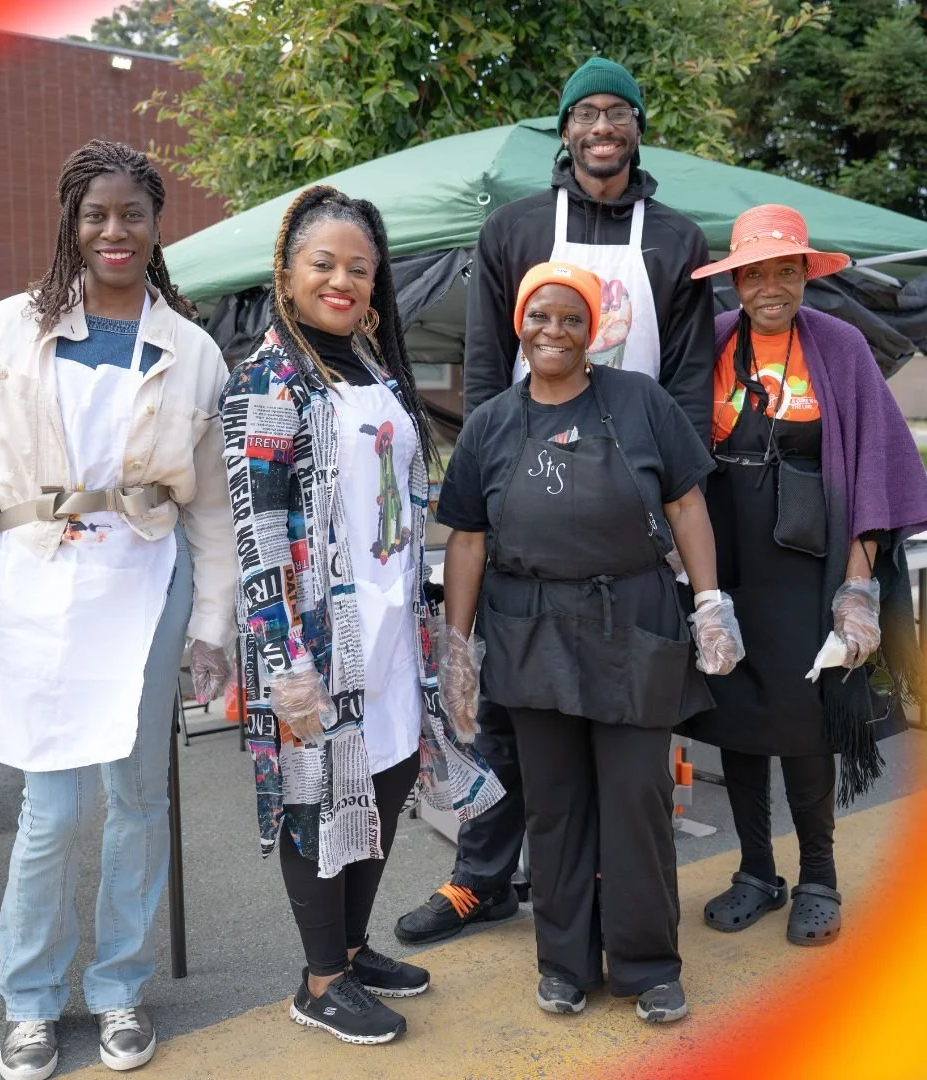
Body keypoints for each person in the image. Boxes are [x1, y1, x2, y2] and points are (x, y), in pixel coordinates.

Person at [0, 140, 238, 1079]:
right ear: (69, 222)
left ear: (155, 222)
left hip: (143, 585)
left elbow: (210, 508)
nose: (113, 231)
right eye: (95, 214)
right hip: (34, 585)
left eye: (131, 213)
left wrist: (212, 627)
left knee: (138, 797)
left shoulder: (191, 349)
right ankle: (31, 998)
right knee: (51, 806)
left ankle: (122, 987)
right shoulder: (4, 330)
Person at [397, 56, 716, 946]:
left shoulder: (679, 240)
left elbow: (689, 383)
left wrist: (680, 512)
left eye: (619, 113)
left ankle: (608, 898)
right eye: (586, 115)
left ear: (638, 128)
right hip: (527, 499)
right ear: (565, 130)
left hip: (635, 505)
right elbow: (491, 366)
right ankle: (479, 879)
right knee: (512, 715)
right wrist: (495, 496)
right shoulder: (515, 228)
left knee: (625, 731)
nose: (602, 129)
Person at [218, 186, 504, 1046]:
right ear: (287, 271)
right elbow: (258, 531)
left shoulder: (373, 367)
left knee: (382, 775)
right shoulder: (267, 378)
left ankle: (350, 945)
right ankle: (320, 981)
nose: (342, 282)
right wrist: (284, 659)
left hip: (386, 624)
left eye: (360, 269)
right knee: (317, 790)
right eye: (324, 265)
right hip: (309, 632)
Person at [433, 261, 742, 1022]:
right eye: (540, 316)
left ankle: (648, 965)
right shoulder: (491, 424)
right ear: (520, 327)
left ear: (594, 329)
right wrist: (457, 647)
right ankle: (565, 964)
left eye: (572, 318)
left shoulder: (638, 402)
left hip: (632, 623)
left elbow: (686, 504)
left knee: (637, 798)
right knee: (555, 806)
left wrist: (709, 602)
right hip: (529, 629)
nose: (554, 331)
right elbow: (467, 541)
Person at [686, 204, 927, 945]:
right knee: (738, 722)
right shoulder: (712, 344)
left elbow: (877, 475)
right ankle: (757, 871)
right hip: (728, 572)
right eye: (754, 271)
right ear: (735, 281)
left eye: (783, 269)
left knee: (806, 724)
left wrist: (857, 587)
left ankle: (819, 874)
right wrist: (698, 591)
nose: (769, 285)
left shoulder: (842, 346)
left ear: (803, 275)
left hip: (811, 572)